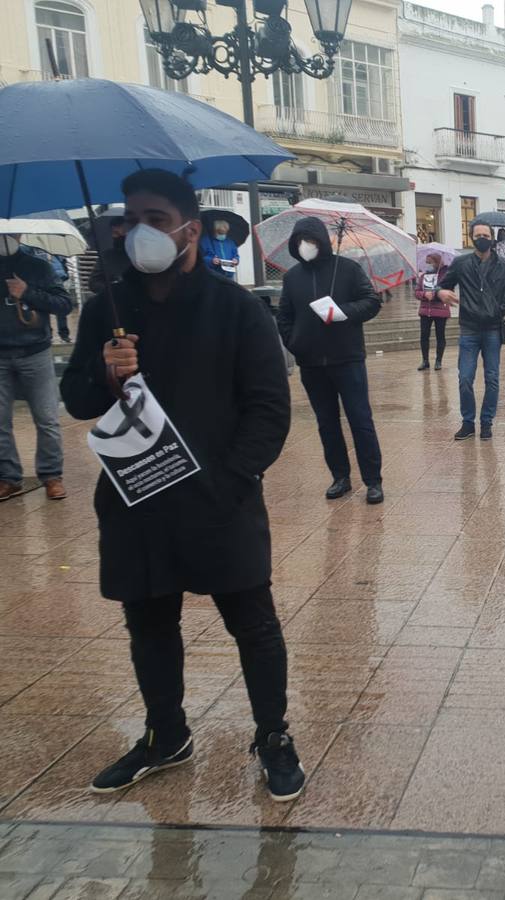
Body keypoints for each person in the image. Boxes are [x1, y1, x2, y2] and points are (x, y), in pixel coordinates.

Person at [60, 169, 303, 801]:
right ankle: (165, 735)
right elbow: (78, 401)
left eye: (156, 219)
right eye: (131, 219)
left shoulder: (237, 309)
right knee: (149, 624)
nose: (140, 231)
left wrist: (228, 482)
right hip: (136, 501)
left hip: (220, 502)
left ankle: (273, 735)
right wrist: (105, 374)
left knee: (253, 624)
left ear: (191, 229)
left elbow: (269, 410)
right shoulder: (105, 310)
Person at [276, 217, 384, 504]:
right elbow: (284, 316)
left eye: (310, 240)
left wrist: (343, 311)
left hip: (347, 359)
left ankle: (373, 480)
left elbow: (372, 301)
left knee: (360, 420)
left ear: (322, 241)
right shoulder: (292, 277)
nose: (305, 245)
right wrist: (294, 342)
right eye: (300, 240)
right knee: (327, 423)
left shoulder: (347, 269)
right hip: (311, 363)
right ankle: (340, 476)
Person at [0, 235, 72, 502]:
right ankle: (8, 477)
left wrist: (27, 291)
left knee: (47, 418)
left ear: (18, 234)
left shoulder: (38, 265)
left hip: (35, 351)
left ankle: (52, 475)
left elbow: (64, 303)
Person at [437, 219, 505, 442]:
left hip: (493, 330)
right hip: (469, 329)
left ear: (492, 238)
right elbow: (443, 285)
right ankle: (467, 422)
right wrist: (441, 293)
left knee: (492, 378)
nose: (482, 239)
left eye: (485, 235)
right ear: (471, 238)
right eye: (478, 235)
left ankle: (486, 422)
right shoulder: (461, 263)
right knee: (465, 378)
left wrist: (497, 310)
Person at [414, 256, 450, 371]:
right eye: (427, 262)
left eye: (430, 262)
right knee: (424, 336)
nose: (428, 264)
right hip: (425, 310)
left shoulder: (445, 276)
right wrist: (424, 295)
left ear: (437, 261)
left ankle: (438, 361)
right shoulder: (424, 276)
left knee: (440, 336)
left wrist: (434, 295)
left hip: (440, 310)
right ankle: (425, 361)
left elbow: (448, 292)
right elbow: (417, 291)